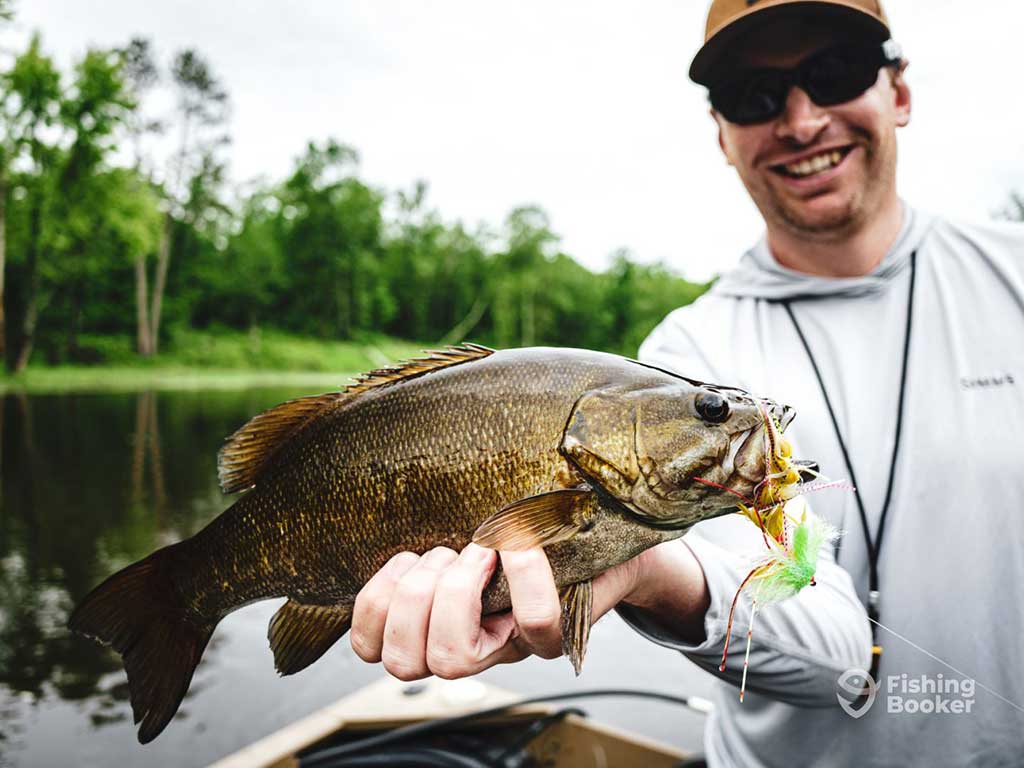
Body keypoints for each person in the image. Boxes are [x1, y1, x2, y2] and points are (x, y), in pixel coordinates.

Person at [348, 1, 1024, 765]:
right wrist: (646, 570)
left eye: (833, 75)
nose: (801, 122)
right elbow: (831, 640)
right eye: (754, 96)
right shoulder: (687, 354)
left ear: (898, 92)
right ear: (722, 134)